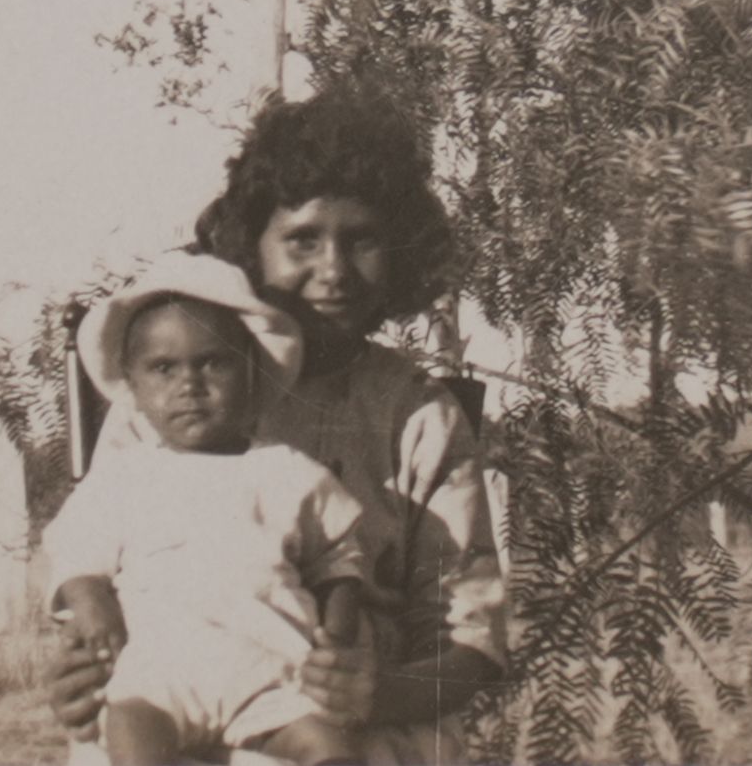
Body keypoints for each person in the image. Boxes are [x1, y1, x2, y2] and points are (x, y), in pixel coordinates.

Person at [48, 87, 505, 765]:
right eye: (301, 240)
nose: (334, 270)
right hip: (171, 713)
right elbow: (91, 579)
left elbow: (469, 644)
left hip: (351, 727)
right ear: (251, 248)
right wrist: (79, 675)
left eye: (364, 240)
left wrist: (373, 692)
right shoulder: (164, 407)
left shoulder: (418, 416)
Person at [46, 253, 368, 766]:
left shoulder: (289, 473)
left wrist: (337, 636)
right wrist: (91, 599)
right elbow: (75, 553)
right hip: (159, 677)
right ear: (132, 385)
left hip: (270, 674)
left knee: (329, 748)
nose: (189, 384)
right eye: (163, 368)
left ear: (252, 371)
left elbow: (339, 561)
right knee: (128, 729)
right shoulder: (123, 478)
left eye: (213, 362)